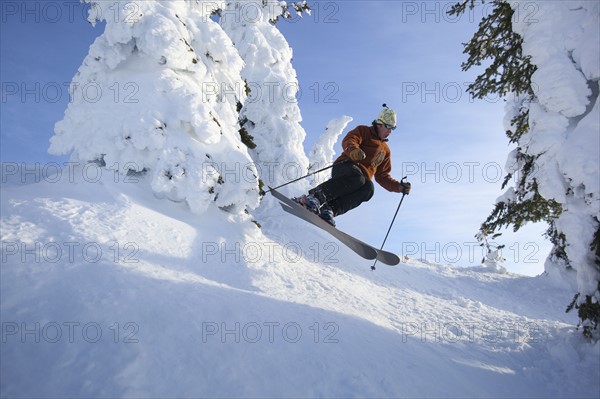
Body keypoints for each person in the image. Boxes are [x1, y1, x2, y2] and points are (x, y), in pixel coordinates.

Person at [294, 104, 411, 226]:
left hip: (359, 179)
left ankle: (330, 209)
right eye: (387, 126)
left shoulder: (385, 151)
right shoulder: (364, 131)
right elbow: (350, 139)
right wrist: (353, 150)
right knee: (358, 178)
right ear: (379, 124)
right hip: (345, 167)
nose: (389, 131)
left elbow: (382, 176)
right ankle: (315, 197)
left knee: (369, 189)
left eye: (393, 128)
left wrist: (399, 187)